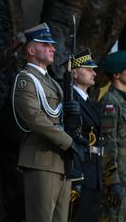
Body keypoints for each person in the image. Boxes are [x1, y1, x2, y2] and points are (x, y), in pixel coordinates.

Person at [12, 22, 84, 222]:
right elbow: (36, 119)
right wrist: (69, 142)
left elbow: (58, 116)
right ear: (31, 49)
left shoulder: (52, 82)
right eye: (46, 44)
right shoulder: (26, 80)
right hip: (41, 160)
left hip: (60, 161)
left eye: (52, 44)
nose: (53, 48)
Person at [69, 48, 102, 222]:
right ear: (74, 72)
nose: (94, 73)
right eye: (88, 69)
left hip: (94, 171)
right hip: (81, 170)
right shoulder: (71, 100)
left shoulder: (88, 101)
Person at [98, 51, 126, 222]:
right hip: (118, 179)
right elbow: (108, 142)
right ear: (116, 74)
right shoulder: (110, 102)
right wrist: (112, 180)